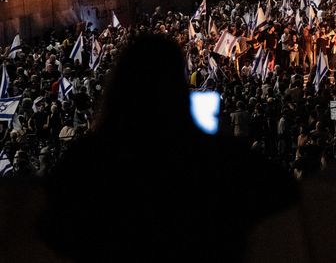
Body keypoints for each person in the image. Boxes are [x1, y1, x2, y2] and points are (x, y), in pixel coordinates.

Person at [42, 34, 298, 263]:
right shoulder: (212, 155)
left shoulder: (90, 161)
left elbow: (51, 228)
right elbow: (285, 193)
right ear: (177, 87)